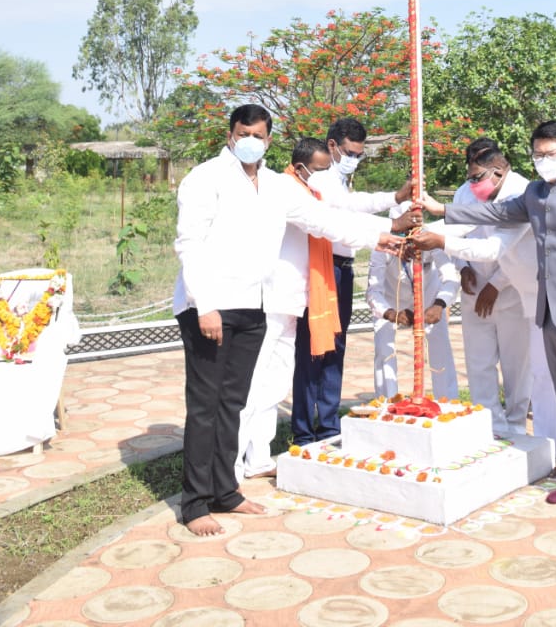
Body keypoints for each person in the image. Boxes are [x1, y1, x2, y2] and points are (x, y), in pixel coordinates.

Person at [173, 104, 405, 536]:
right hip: (210, 305)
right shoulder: (205, 178)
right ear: (230, 134)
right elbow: (190, 244)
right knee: (205, 406)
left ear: (269, 139)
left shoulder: (277, 186)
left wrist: (379, 236)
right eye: (244, 132)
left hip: (255, 304)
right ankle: (195, 503)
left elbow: (322, 220)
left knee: (233, 402)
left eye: (259, 135)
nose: (251, 140)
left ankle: (226, 490)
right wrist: (203, 304)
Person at [415, 119, 556, 519]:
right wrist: (440, 209)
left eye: (552, 154)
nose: (545, 161)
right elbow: (495, 212)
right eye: (539, 155)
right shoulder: (534, 192)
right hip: (548, 309)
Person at [291, 116, 411, 445]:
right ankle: (304, 429)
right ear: (333, 147)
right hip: (320, 268)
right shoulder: (321, 178)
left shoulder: (341, 180)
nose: (354, 160)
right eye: (350, 153)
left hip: (342, 268)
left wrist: (395, 197)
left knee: (335, 347)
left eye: (359, 154)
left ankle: (328, 424)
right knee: (313, 348)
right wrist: (391, 227)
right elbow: (344, 212)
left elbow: (355, 203)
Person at [236, 137, 335, 482]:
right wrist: (388, 232)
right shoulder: (284, 190)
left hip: (293, 301)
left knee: (275, 386)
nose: (324, 175)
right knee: (252, 384)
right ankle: (231, 465)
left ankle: (258, 458)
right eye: (321, 169)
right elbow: (330, 224)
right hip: (270, 301)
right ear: (301, 165)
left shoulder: (309, 193)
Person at [449, 145, 538, 439]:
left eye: (478, 176)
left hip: (511, 289)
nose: (473, 183)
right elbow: (456, 232)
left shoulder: (522, 191)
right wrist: (463, 267)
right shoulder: (465, 192)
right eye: (470, 175)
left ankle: (514, 423)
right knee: (479, 361)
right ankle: (489, 425)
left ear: (497, 169)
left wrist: (496, 285)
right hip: (474, 288)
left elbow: (507, 247)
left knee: (516, 363)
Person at [367, 243, 459, 399]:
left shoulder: (431, 239)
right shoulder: (382, 246)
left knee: (440, 346)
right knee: (384, 349)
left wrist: (440, 304)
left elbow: (451, 278)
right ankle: (388, 404)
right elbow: (373, 292)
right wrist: (389, 313)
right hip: (390, 301)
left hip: (430, 296)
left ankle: (447, 402)